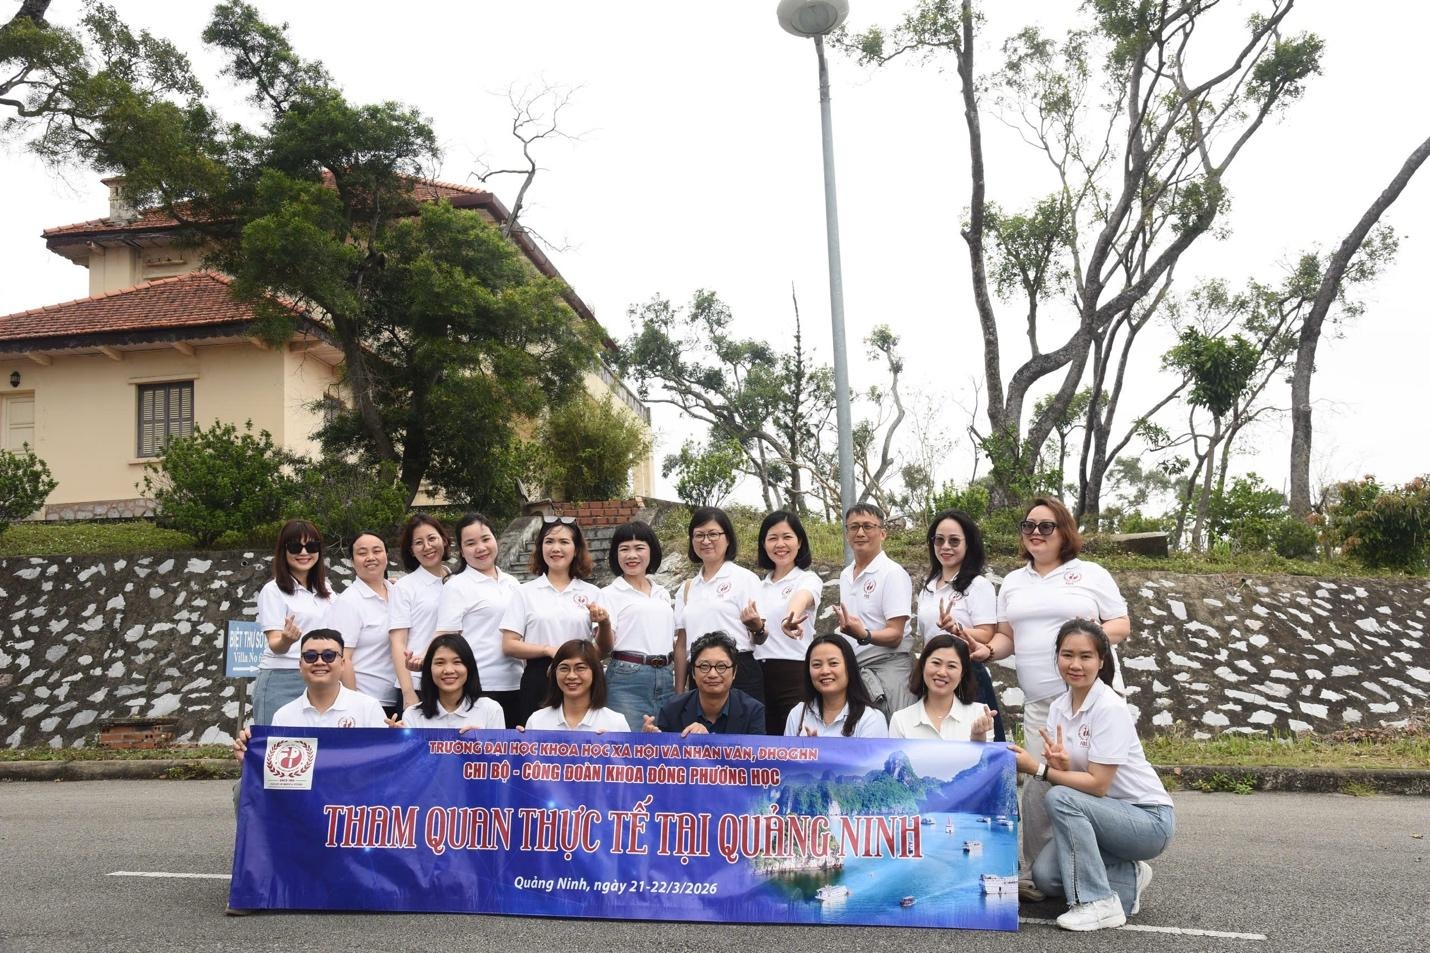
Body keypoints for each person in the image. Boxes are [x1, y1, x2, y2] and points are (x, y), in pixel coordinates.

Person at [987, 496, 1132, 902]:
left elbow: (1120, 624)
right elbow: (1006, 637)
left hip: (1090, 700)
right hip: (1041, 703)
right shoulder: (1013, 582)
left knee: (1093, 784)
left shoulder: (1090, 573)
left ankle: (1112, 866)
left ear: (1064, 530)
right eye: (1028, 525)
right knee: (1039, 786)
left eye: (1046, 526)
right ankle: (1039, 873)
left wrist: (1083, 642)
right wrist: (985, 650)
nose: (1035, 532)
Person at [1011, 620, 1174, 932]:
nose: (1075, 664)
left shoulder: (1109, 707)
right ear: (1057, 657)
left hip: (1148, 820)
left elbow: (1098, 785)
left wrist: (1041, 770)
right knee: (1046, 876)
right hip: (1104, 818)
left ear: (1101, 661)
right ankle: (1129, 876)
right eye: (1067, 655)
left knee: (1058, 795)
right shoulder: (1059, 707)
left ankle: (1098, 902)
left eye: (1085, 656)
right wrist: (1061, 766)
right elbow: (1078, 786)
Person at [501, 516, 607, 725]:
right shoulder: (524, 592)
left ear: (576, 549)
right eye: (549, 541)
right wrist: (547, 650)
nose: (555, 548)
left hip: (580, 677)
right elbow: (509, 644)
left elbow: (604, 648)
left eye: (564, 542)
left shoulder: (592, 593)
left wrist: (604, 623)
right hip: (539, 677)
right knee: (536, 739)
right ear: (540, 547)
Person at [915, 508, 1005, 740]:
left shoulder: (978, 585)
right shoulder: (927, 588)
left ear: (968, 544)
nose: (945, 547)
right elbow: (925, 639)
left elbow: (987, 633)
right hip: (934, 675)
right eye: (939, 540)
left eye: (954, 541)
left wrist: (957, 629)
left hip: (967, 675)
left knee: (979, 744)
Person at [231, 629, 388, 755]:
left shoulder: (368, 708)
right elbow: (275, 771)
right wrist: (249, 758)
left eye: (328, 656)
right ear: (300, 665)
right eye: (310, 656)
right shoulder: (284, 716)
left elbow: (383, 762)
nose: (319, 662)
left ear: (342, 664)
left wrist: (396, 740)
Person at [433, 513, 524, 728]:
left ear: (495, 539)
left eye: (485, 539)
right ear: (461, 550)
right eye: (471, 543)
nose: (480, 548)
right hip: (479, 686)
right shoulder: (457, 586)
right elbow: (447, 638)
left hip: (516, 683)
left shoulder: (512, 583)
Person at [673, 506, 765, 701]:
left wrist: (757, 628)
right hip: (699, 672)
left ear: (728, 538)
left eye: (713, 534)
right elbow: (681, 644)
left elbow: (761, 637)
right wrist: (679, 692)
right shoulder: (688, 588)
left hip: (739, 672)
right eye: (699, 535)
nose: (706, 541)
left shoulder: (745, 579)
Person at [833, 503, 915, 716]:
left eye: (868, 526)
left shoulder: (892, 573)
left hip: (889, 669)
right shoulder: (845, 575)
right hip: (855, 670)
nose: (860, 533)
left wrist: (864, 635)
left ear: (883, 533)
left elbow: (895, 634)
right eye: (854, 527)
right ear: (847, 534)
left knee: (893, 730)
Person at [598, 520, 680, 730]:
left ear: (651, 551)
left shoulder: (662, 593)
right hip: (627, 679)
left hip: (665, 675)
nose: (631, 555)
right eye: (624, 549)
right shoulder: (608, 594)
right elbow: (605, 647)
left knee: (663, 742)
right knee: (628, 742)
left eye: (639, 548)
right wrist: (604, 623)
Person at [253, 519, 333, 724]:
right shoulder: (273, 591)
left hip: (319, 676)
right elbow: (275, 644)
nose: (304, 552)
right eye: (296, 547)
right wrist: (286, 640)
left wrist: (388, 586)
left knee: (315, 742)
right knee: (276, 741)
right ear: (283, 551)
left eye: (311, 546)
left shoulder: (326, 590)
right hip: (282, 678)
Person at [750, 510, 823, 735]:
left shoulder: (807, 579)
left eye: (787, 537)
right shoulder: (757, 586)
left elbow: (800, 599)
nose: (780, 544)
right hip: (758, 674)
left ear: (799, 542)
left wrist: (789, 619)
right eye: (772, 538)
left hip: (794, 673)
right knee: (762, 744)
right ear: (764, 544)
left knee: (794, 742)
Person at [330, 530, 398, 715]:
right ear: (352, 562)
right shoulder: (349, 602)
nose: (370, 557)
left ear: (386, 555)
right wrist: (354, 706)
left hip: (400, 696)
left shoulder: (398, 592)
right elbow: (343, 658)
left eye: (377, 551)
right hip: (369, 701)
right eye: (362, 553)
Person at [389, 514, 451, 713]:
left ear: (444, 540)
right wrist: (408, 693)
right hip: (418, 683)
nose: (427, 546)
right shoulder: (405, 587)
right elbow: (398, 642)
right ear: (412, 551)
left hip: (454, 681)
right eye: (418, 542)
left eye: (432, 538)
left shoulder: (458, 582)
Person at [646, 632, 765, 736]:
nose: (712, 674)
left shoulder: (753, 711)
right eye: (704, 666)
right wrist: (648, 740)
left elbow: (756, 754)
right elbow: (663, 752)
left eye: (721, 666)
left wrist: (707, 741)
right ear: (693, 672)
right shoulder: (672, 709)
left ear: (734, 672)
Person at [889, 633, 996, 741]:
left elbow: (985, 752)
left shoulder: (980, 714)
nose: (942, 672)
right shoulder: (900, 720)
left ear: (962, 673)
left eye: (951, 666)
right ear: (923, 665)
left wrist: (978, 737)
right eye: (936, 663)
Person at [783, 634, 888, 737]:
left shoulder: (870, 719)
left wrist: (818, 747)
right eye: (816, 665)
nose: (825, 671)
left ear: (849, 667)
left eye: (833, 663)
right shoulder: (798, 714)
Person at [400, 633, 505, 729]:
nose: (449, 670)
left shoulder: (490, 710)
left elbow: (499, 744)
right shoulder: (412, 715)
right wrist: (396, 738)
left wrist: (481, 741)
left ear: (469, 667)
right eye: (440, 663)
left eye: (457, 662)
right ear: (429, 669)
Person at [525, 639, 631, 733]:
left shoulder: (616, 723)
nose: (571, 676)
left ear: (595, 672)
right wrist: (519, 743)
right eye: (564, 668)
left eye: (580, 668)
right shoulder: (536, 721)